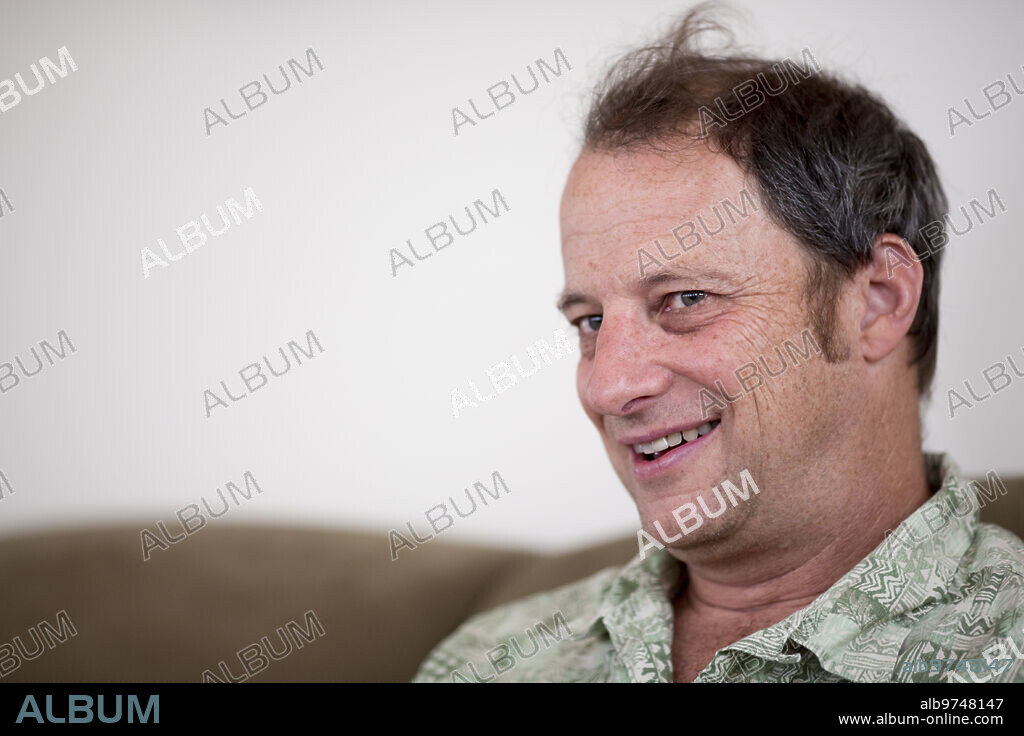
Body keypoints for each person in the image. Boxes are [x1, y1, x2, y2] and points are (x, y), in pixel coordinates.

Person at [413, 6, 1024, 682]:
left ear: (877, 303)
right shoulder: (486, 659)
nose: (609, 387)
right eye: (589, 321)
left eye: (686, 300)